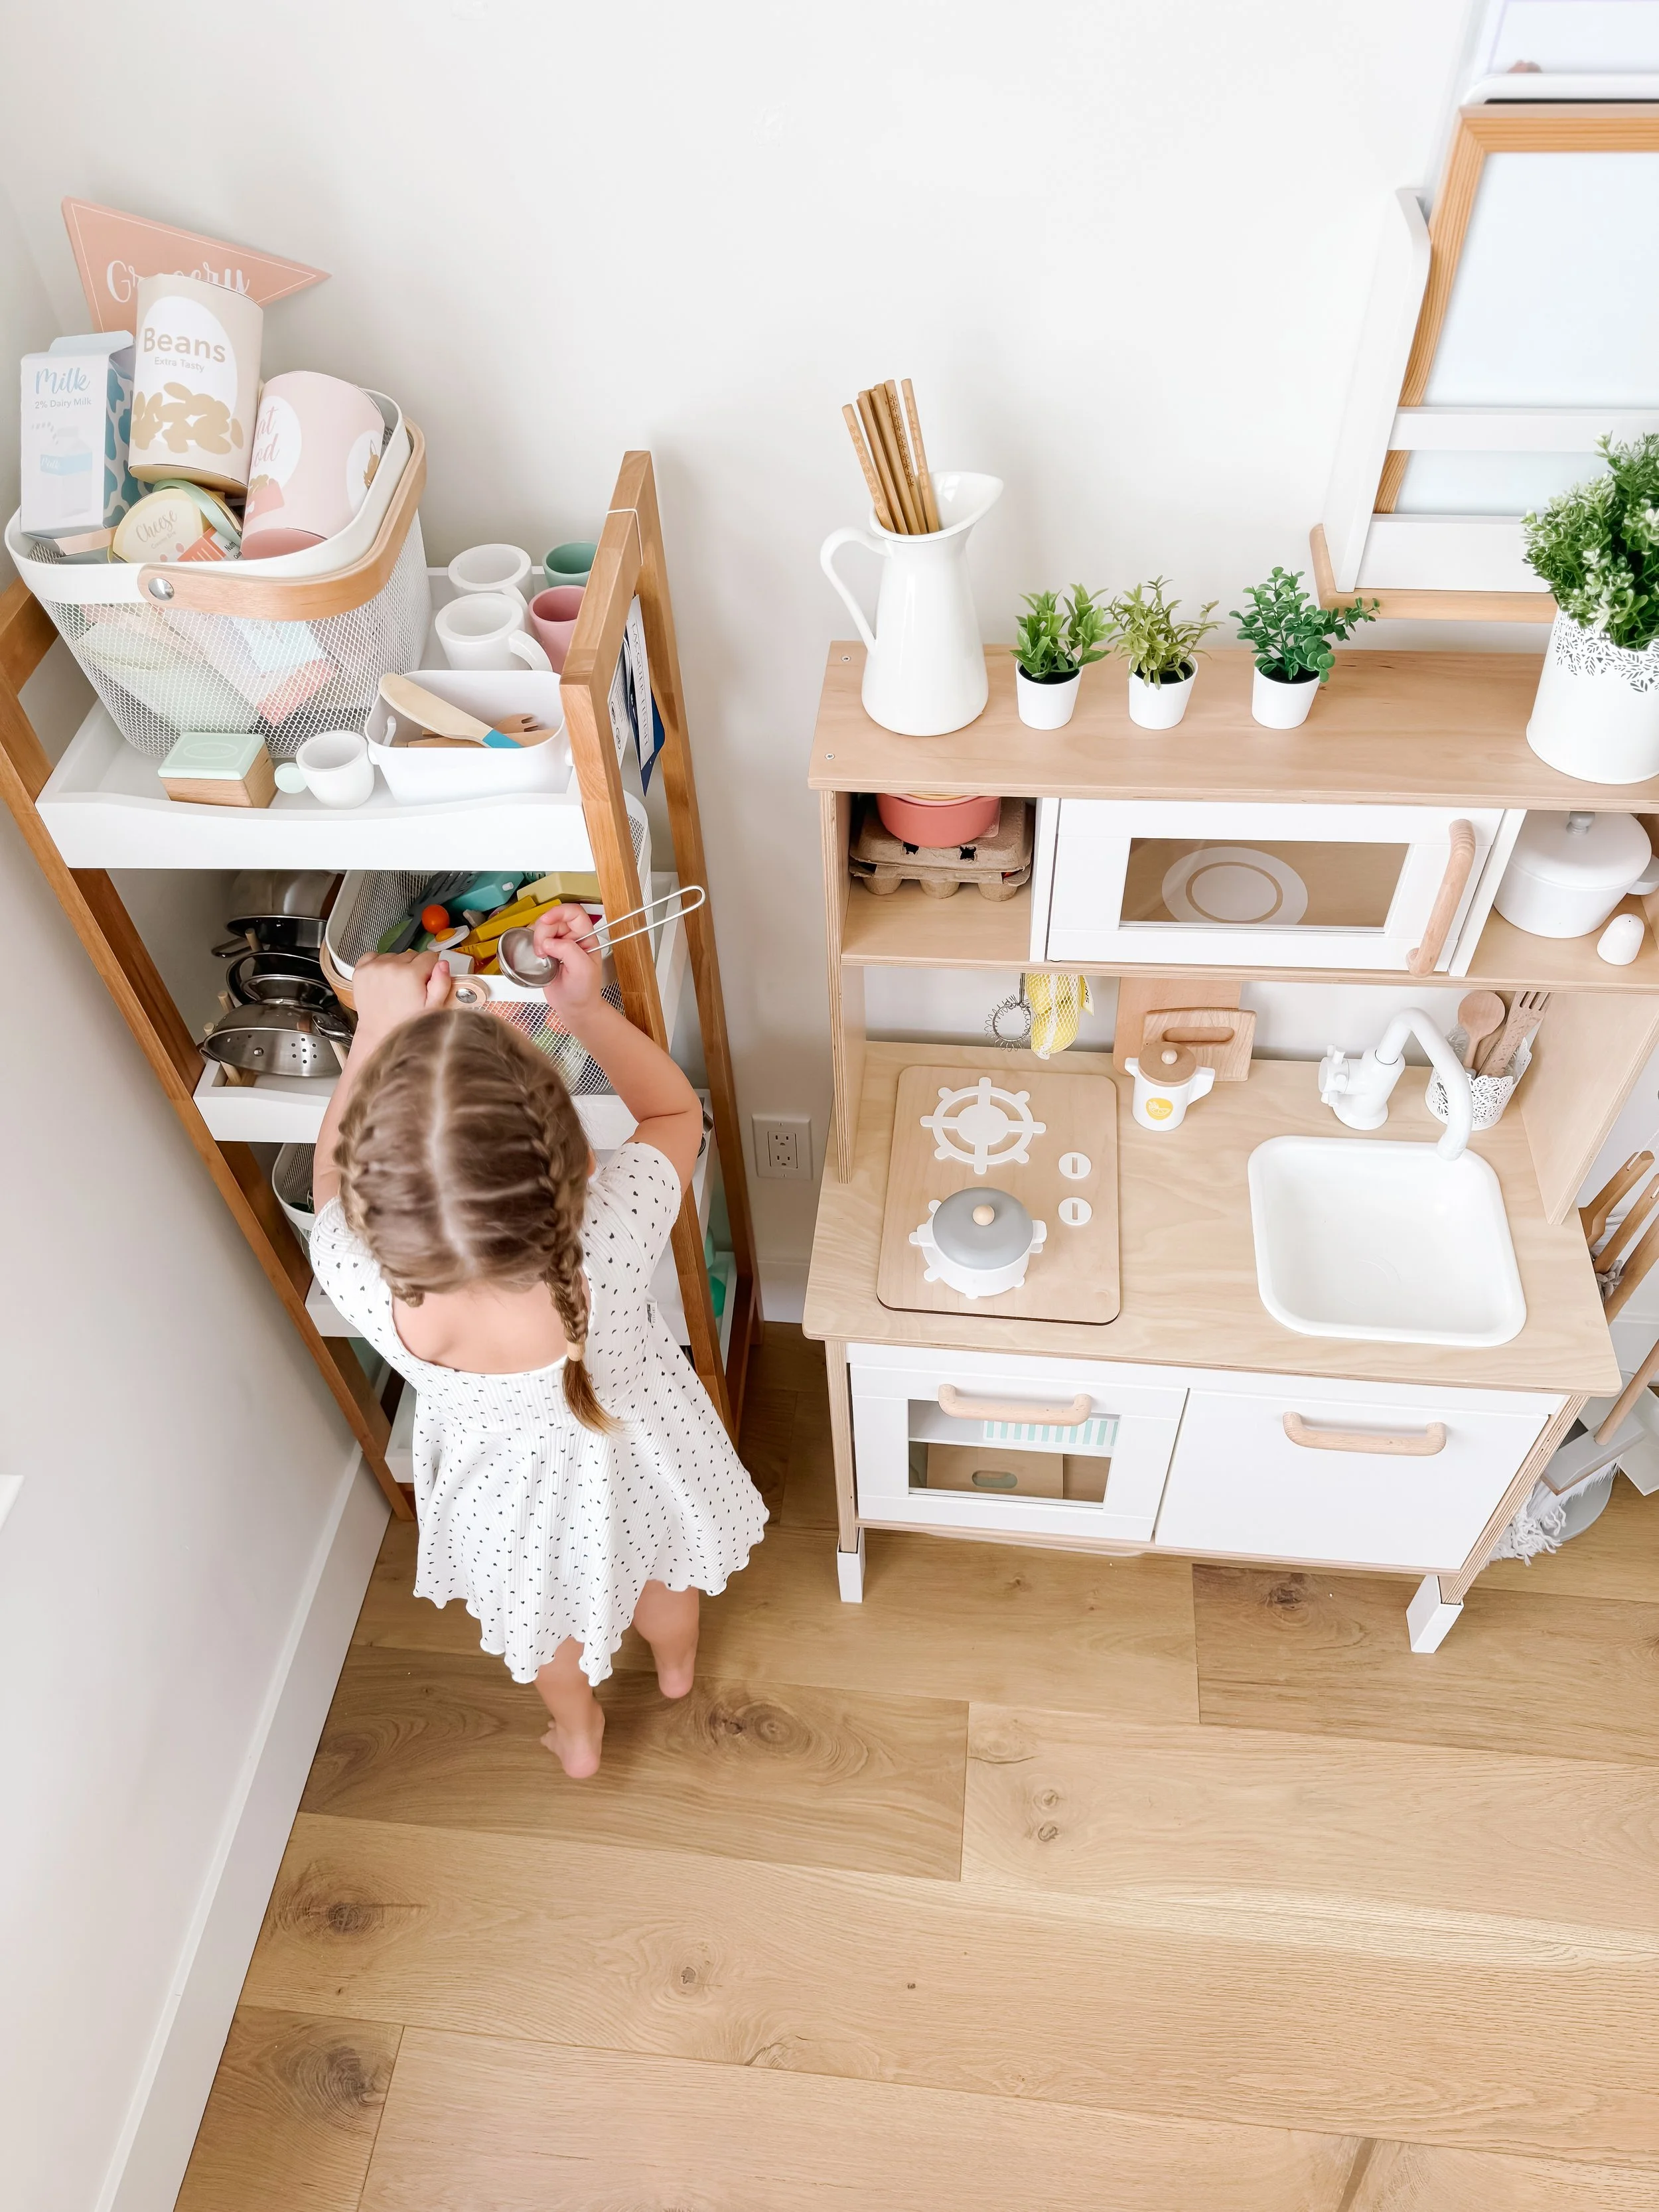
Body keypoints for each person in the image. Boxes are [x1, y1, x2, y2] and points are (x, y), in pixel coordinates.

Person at [308, 905, 767, 1777]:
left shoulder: (359, 1276)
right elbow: (673, 1111)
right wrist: (582, 1011)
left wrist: (373, 1029)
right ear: (578, 1160)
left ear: (378, 1207)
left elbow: (327, 1174)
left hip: (509, 1504)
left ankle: (580, 1737)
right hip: (644, 1458)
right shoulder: (611, 1232)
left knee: (552, 1632)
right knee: (666, 1572)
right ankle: (675, 1672)